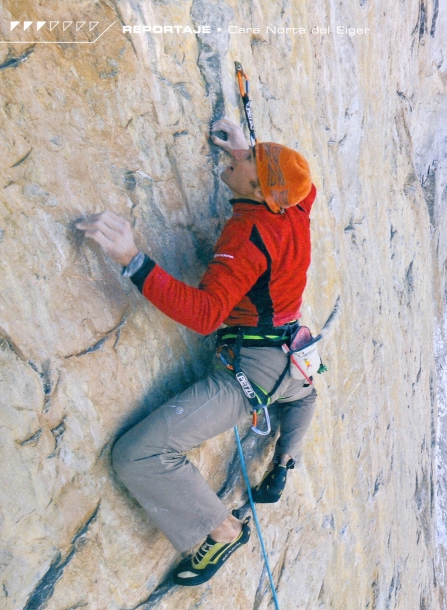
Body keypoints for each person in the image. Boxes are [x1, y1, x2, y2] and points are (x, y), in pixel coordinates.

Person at [76, 117, 318, 586]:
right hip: (291, 354)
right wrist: (249, 152)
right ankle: (285, 461)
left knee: (138, 455)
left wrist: (134, 260)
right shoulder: (297, 206)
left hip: (252, 371)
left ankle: (222, 531)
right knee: (304, 395)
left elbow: (207, 314)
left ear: (261, 190)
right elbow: (304, 187)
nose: (237, 159)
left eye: (247, 161)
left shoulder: (249, 237)